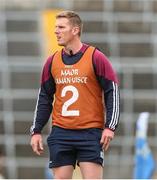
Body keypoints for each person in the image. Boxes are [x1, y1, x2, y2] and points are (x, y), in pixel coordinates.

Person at [30, 10, 120, 179]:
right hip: (61, 132)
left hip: (90, 132)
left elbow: (112, 92)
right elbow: (44, 98)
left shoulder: (96, 57)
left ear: (75, 30)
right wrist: (36, 131)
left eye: (61, 27)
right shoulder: (52, 61)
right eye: (55, 27)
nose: (56, 31)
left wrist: (110, 127)